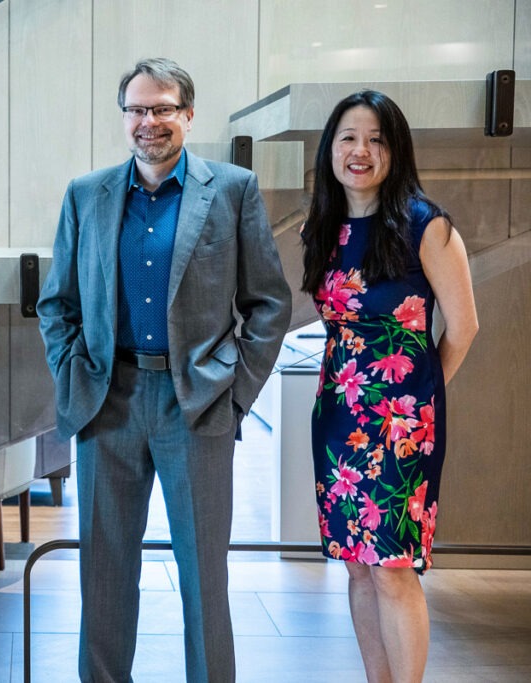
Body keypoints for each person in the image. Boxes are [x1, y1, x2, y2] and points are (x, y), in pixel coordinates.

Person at [37, 58, 292, 682]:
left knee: (205, 575)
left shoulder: (231, 190)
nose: (149, 122)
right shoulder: (86, 193)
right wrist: (76, 376)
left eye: (162, 108)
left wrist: (234, 396)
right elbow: (57, 303)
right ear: (124, 116)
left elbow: (269, 303)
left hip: (197, 405)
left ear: (188, 114)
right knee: (104, 575)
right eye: (137, 109)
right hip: (108, 402)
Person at [302, 90, 478, 682]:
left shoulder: (426, 225)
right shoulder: (322, 227)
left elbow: (465, 325)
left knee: (392, 566)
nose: (361, 150)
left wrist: (420, 401)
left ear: (395, 150)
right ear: (331, 148)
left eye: (376, 139)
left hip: (403, 427)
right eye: (349, 137)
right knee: (355, 567)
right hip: (337, 420)